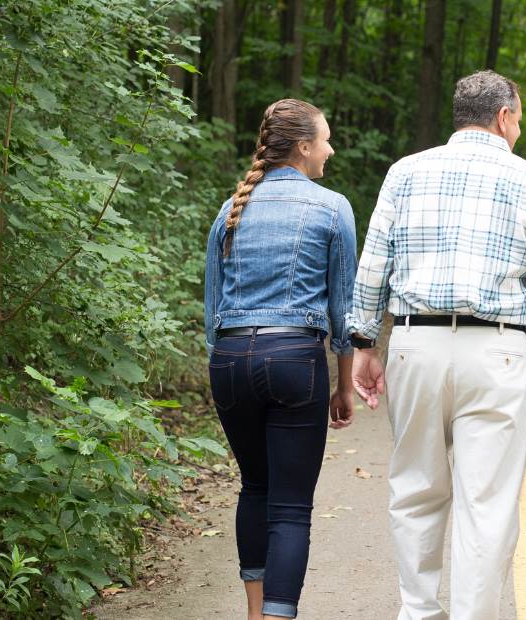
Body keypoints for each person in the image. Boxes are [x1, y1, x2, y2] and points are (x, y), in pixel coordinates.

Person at [346, 70, 526, 620]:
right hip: (497, 350)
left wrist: (364, 342)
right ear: (503, 117)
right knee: (486, 503)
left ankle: (419, 611)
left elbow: (374, 263)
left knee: (415, 489)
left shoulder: (405, 172)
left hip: (415, 342)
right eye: (518, 119)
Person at [203, 99, 357, 620]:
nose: (331, 150)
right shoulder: (332, 207)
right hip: (294, 358)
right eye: (326, 140)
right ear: (304, 146)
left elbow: (213, 308)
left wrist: (225, 370)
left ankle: (254, 614)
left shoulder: (231, 208)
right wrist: (343, 384)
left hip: (229, 361)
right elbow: (343, 311)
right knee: (290, 508)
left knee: (255, 487)